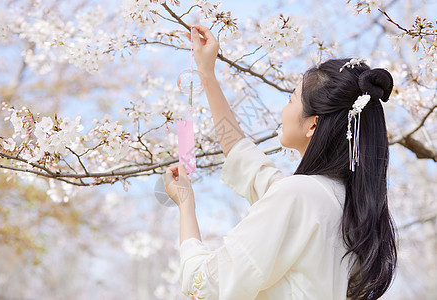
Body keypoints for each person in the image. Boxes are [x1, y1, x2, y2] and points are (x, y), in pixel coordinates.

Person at [164, 24, 397, 300]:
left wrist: (186, 206)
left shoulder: (297, 195)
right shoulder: (348, 205)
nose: (283, 110)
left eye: (290, 100)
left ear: (313, 125)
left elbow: (202, 285)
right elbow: (244, 158)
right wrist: (207, 75)